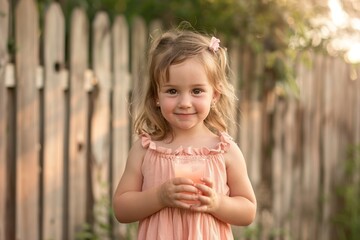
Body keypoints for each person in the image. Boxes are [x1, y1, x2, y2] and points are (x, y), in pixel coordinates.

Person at [112, 27, 257, 239]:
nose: (185, 103)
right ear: (156, 97)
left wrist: (218, 203)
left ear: (214, 95)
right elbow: (121, 209)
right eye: (172, 91)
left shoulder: (225, 151)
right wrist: (159, 197)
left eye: (197, 91)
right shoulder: (145, 150)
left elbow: (248, 211)